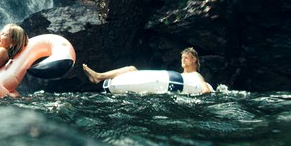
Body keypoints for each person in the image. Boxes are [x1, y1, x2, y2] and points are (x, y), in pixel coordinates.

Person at [82, 47, 213, 93]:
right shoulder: (180, 76)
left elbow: (204, 88)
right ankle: (99, 76)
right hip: (166, 85)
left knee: (132, 68)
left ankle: (98, 76)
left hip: (174, 87)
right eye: (182, 58)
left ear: (194, 60)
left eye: (186, 58)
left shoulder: (196, 75)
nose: (182, 60)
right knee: (131, 68)